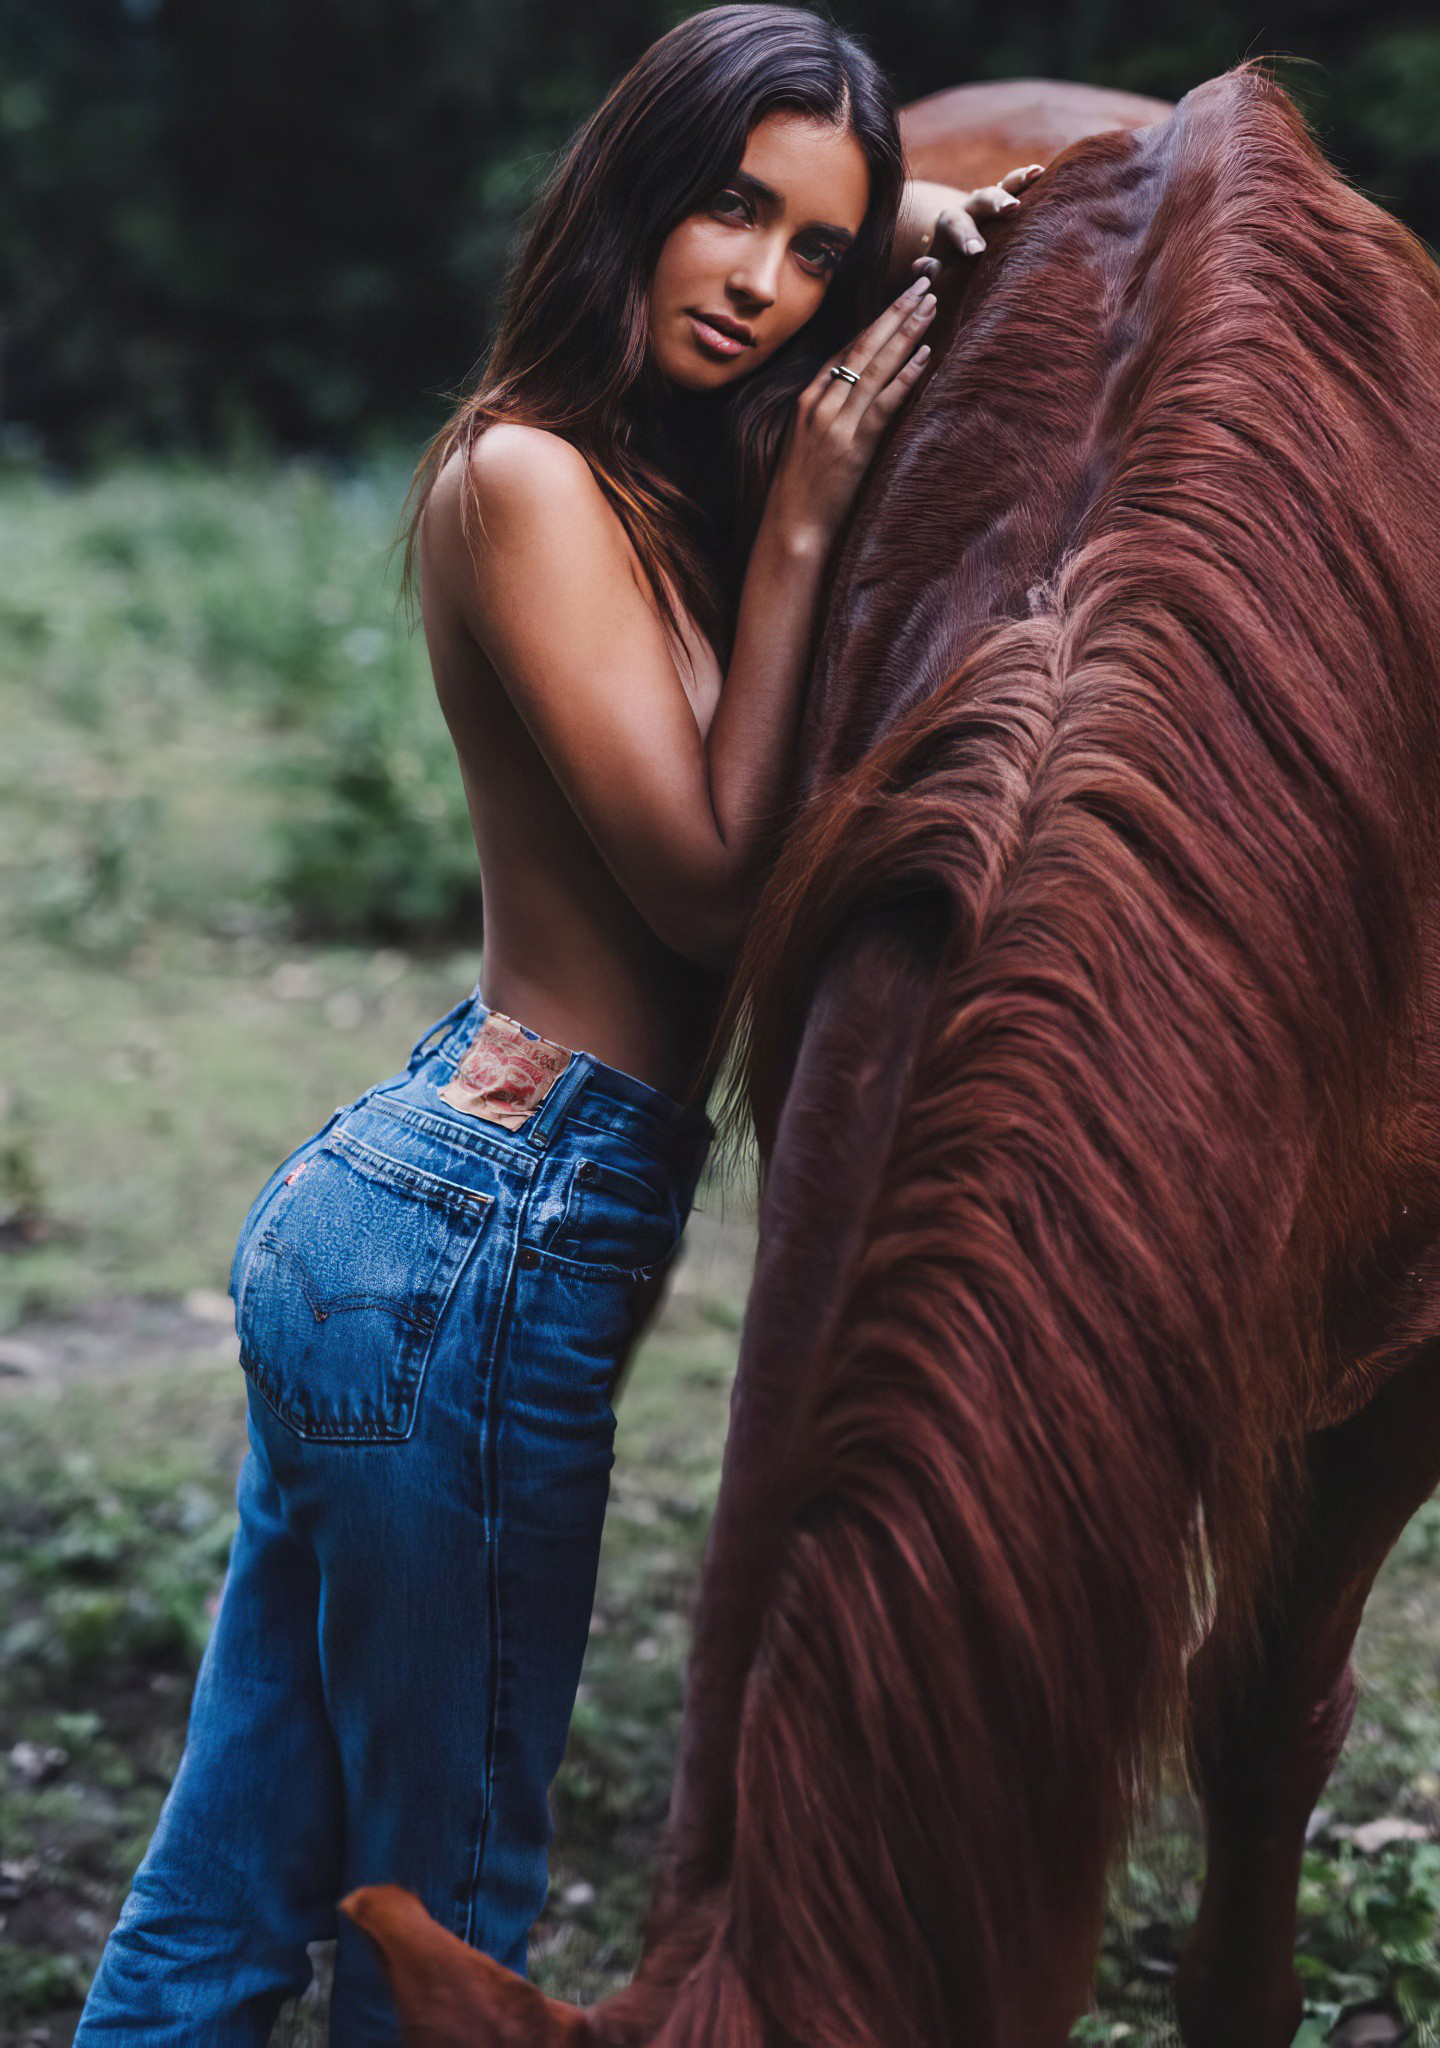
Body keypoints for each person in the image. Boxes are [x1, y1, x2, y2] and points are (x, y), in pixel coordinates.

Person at [75, 7, 1041, 2041]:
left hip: (439, 1211)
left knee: (243, 1869)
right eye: (730, 212)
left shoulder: (629, 472)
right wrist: (801, 530)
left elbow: (833, 269)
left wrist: (920, 238)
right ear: (637, 188)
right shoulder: (524, 476)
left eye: (813, 250)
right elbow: (706, 880)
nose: (764, 285)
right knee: (449, 1913)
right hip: (479, 1241)